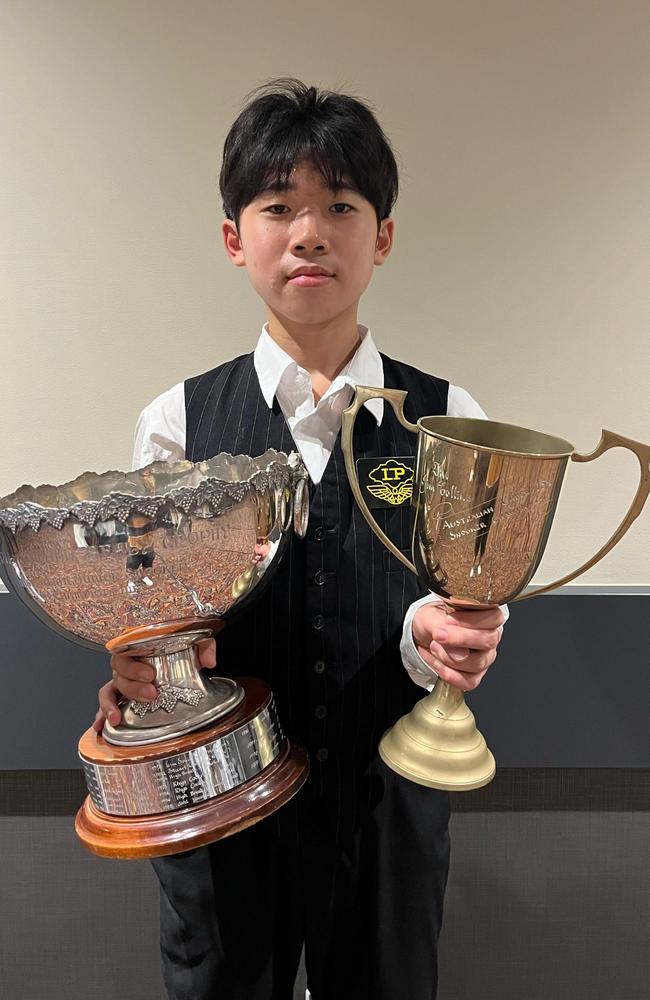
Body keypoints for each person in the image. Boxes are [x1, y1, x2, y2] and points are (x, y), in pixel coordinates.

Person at [94, 78, 505, 1000]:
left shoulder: (452, 417)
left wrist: (447, 637)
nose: (309, 232)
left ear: (382, 238)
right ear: (237, 239)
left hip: (388, 793)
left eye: (340, 207)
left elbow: (466, 593)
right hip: (220, 796)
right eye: (279, 207)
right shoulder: (176, 423)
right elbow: (150, 610)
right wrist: (146, 665)